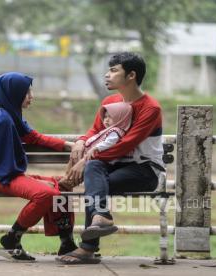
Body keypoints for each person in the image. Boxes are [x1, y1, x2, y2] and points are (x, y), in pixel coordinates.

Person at [57, 52, 165, 264]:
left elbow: (126, 143)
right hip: (112, 166)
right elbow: (95, 131)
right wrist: (80, 142)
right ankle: (101, 217)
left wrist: (84, 161)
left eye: (114, 71)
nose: (107, 75)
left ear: (131, 75)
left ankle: (88, 248)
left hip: (144, 170)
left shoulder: (151, 108)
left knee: (94, 182)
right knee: (95, 174)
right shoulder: (110, 102)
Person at [0, 72, 77, 261]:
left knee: (62, 184)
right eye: (27, 92)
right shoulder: (2, 119)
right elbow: (0, 167)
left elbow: (33, 137)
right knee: (46, 194)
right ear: (13, 93)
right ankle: (12, 238)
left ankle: (66, 243)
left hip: (4, 172)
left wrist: (67, 145)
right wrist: (36, 182)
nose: (32, 97)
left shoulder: (9, 115)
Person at [58, 101, 133, 189]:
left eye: (110, 117)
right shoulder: (107, 130)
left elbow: (109, 142)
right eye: (105, 117)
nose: (106, 120)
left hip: (95, 157)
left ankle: (68, 183)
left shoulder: (115, 131)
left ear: (120, 118)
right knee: (72, 162)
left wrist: (96, 148)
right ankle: (66, 178)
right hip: (87, 155)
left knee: (80, 171)